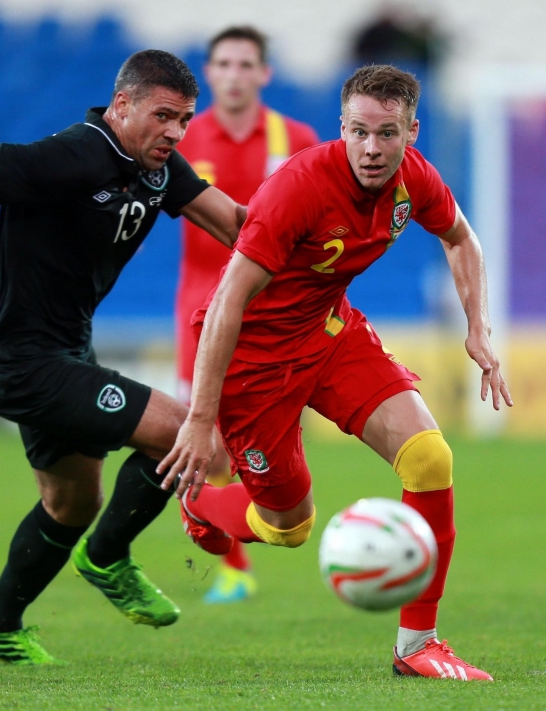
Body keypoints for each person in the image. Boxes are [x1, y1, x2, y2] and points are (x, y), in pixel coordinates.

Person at [0, 50, 245, 665]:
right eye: (163, 115)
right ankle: (107, 557)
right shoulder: (73, 155)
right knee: (187, 436)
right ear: (122, 106)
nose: (175, 131)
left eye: (185, 119)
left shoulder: (158, 166)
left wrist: (321, 236)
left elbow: (236, 225)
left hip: (62, 351)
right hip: (18, 357)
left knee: (72, 502)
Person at [159, 64, 512, 681]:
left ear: (411, 132)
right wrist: (199, 419)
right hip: (254, 362)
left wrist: (477, 328)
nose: (372, 149)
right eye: (359, 132)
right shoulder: (297, 189)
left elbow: (462, 239)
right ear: (341, 128)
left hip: (327, 334)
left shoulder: (414, 180)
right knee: (288, 527)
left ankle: (417, 644)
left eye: (387, 133)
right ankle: (202, 505)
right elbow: (225, 305)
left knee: (430, 457)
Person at [174, 26, 319, 604]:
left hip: (277, 309)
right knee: (206, 439)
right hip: (201, 307)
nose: (234, 74)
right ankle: (230, 566)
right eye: (224, 64)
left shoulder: (296, 137)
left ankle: (259, 523)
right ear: (208, 73)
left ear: (265, 74)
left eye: (245, 64)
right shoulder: (183, 137)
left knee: (275, 435)